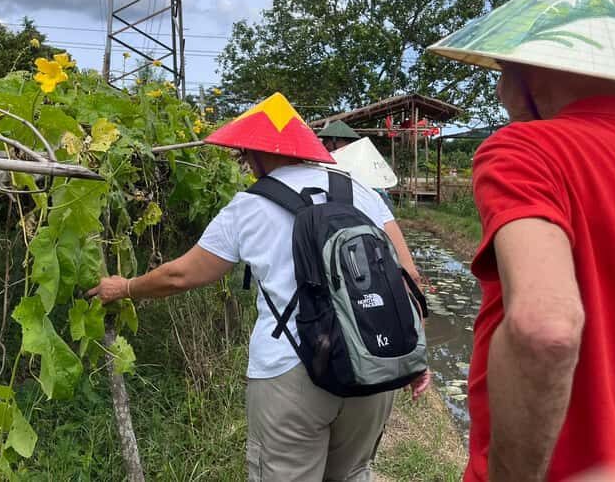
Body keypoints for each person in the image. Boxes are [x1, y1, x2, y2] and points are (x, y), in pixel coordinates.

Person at [89, 92, 430, 482]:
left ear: (257, 154)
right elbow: (410, 279)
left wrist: (125, 287)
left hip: (291, 370)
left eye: (245, 156)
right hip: (373, 363)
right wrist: (412, 356)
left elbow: (180, 276)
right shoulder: (361, 192)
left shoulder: (248, 206)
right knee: (353, 473)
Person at [427, 0, 615, 481]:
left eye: (501, 72)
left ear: (530, 73)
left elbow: (547, 330)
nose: (498, 94)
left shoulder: (527, 149)